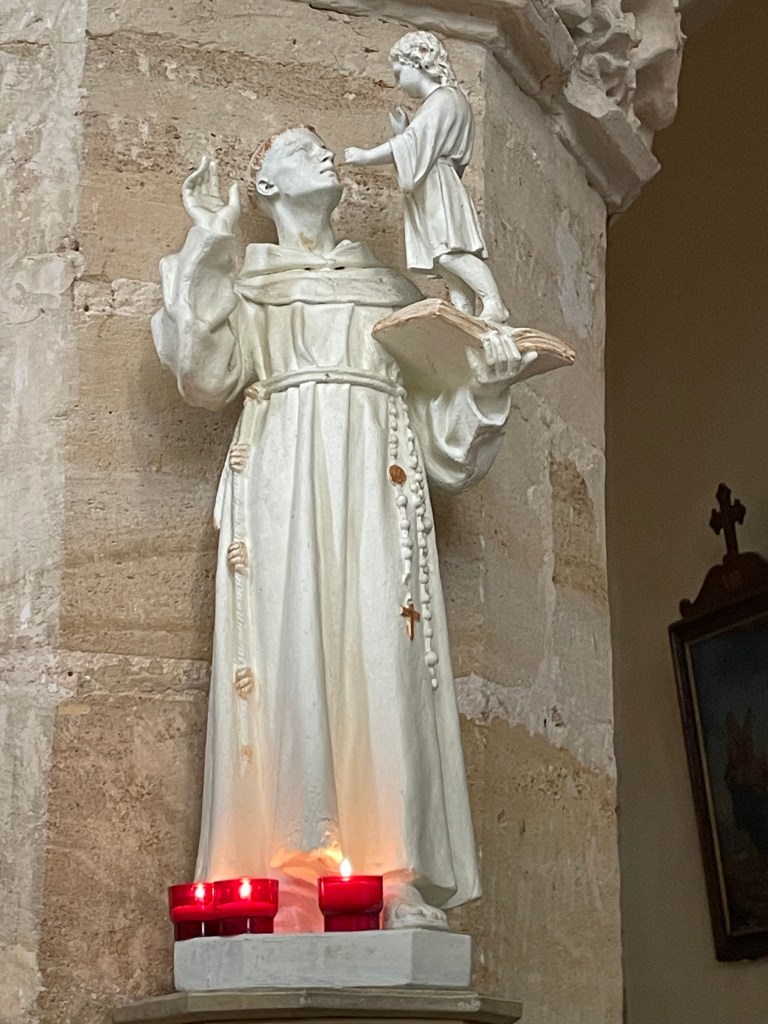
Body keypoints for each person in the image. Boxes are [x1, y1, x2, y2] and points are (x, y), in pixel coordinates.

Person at [152, 126, 534, 931]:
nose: (324, 153)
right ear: (265, 185)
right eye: (301, 148)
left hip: (378, 484)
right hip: (283, 482)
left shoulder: (390, 292)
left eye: (324, 145)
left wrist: (488, 390)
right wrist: (211, 239)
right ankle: (290, 878)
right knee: (289, 652)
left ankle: (391, 878)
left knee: (381, 657)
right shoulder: (252, 283)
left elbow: (446, 449)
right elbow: (203, 373)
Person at [345, 31, 509, 323]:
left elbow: (414, 144)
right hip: (434, 183)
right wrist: (404, 132)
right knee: (441, 256)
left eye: (399, 73)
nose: (398, 83)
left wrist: (366, 156)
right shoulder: (445, 100)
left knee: (449, 252)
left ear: (417, 63)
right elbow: (417, 141)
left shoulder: (444, 99)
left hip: (438, 184)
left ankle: (494, 302)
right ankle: (463, 313)